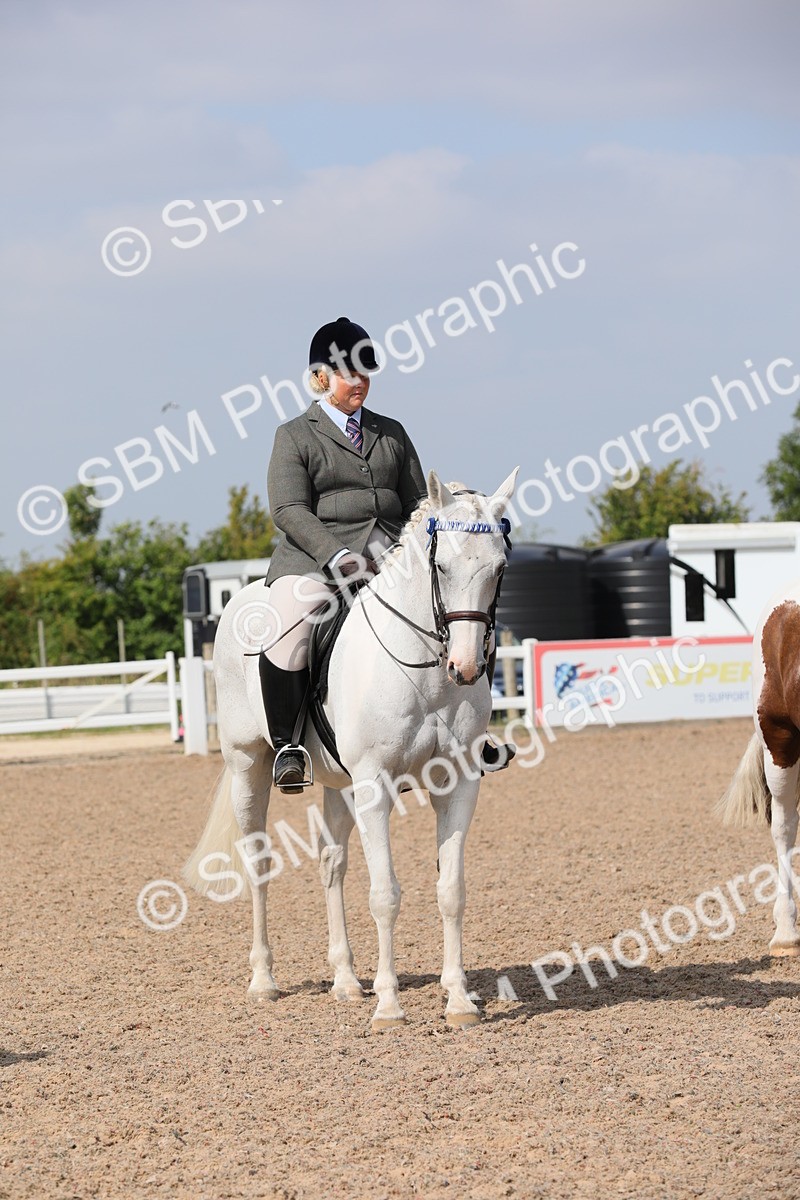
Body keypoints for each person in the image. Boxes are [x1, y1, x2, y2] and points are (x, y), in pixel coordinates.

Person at [261, 316, 514, 792]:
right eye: (348, 374)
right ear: (320, 378)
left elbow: (420, 501)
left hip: (393, 558)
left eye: (365, 373)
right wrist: (335, 555)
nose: (360, 383)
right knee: (291, 623)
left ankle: (471, 732)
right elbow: (289, 509)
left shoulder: (391, 432)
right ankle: (287, 743)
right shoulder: (294, 435)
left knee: (466, 613)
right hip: (317, 561)